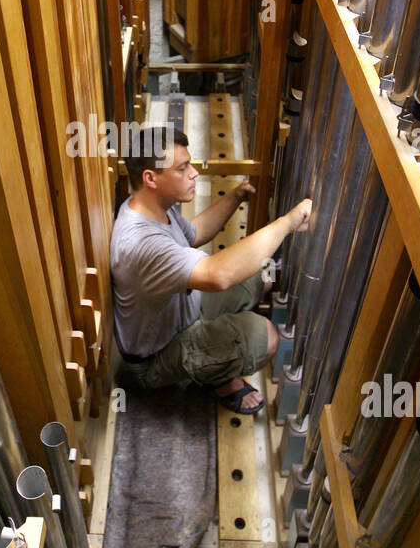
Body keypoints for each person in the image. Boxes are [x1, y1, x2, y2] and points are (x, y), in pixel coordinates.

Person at [110, 126, 312, 415]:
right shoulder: (140, 242)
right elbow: (218, 276)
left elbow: (195, 233)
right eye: (182, 168)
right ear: (150, 178)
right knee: (264, 337)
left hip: (179, 312)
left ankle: (216, 348)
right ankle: (214, 376)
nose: (194, 173)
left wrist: (234, 197)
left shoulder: (151, 206)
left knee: (258, 274)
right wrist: (288, 222)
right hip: (157, 356)